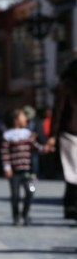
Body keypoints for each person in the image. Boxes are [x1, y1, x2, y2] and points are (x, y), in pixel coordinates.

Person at [2, 108, 45, 226]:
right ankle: (16, 217)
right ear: (16, 121)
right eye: (22, 116)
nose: (25, 118)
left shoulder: (27, 134)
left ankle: (25, 214)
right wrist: (7, 168)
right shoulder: (8, 136)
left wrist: (45, 148)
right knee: (15, 195)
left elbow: (36, 147)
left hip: (28, 171)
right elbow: (5, 153)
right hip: (15, 172)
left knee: (30, 191)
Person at [47, 59, 77, 221]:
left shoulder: (65, 85)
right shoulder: (65, 86)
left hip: (69, 132)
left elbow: (58, 111)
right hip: (70, 132)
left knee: (72, 171)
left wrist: (53, 134)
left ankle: (71, 205)